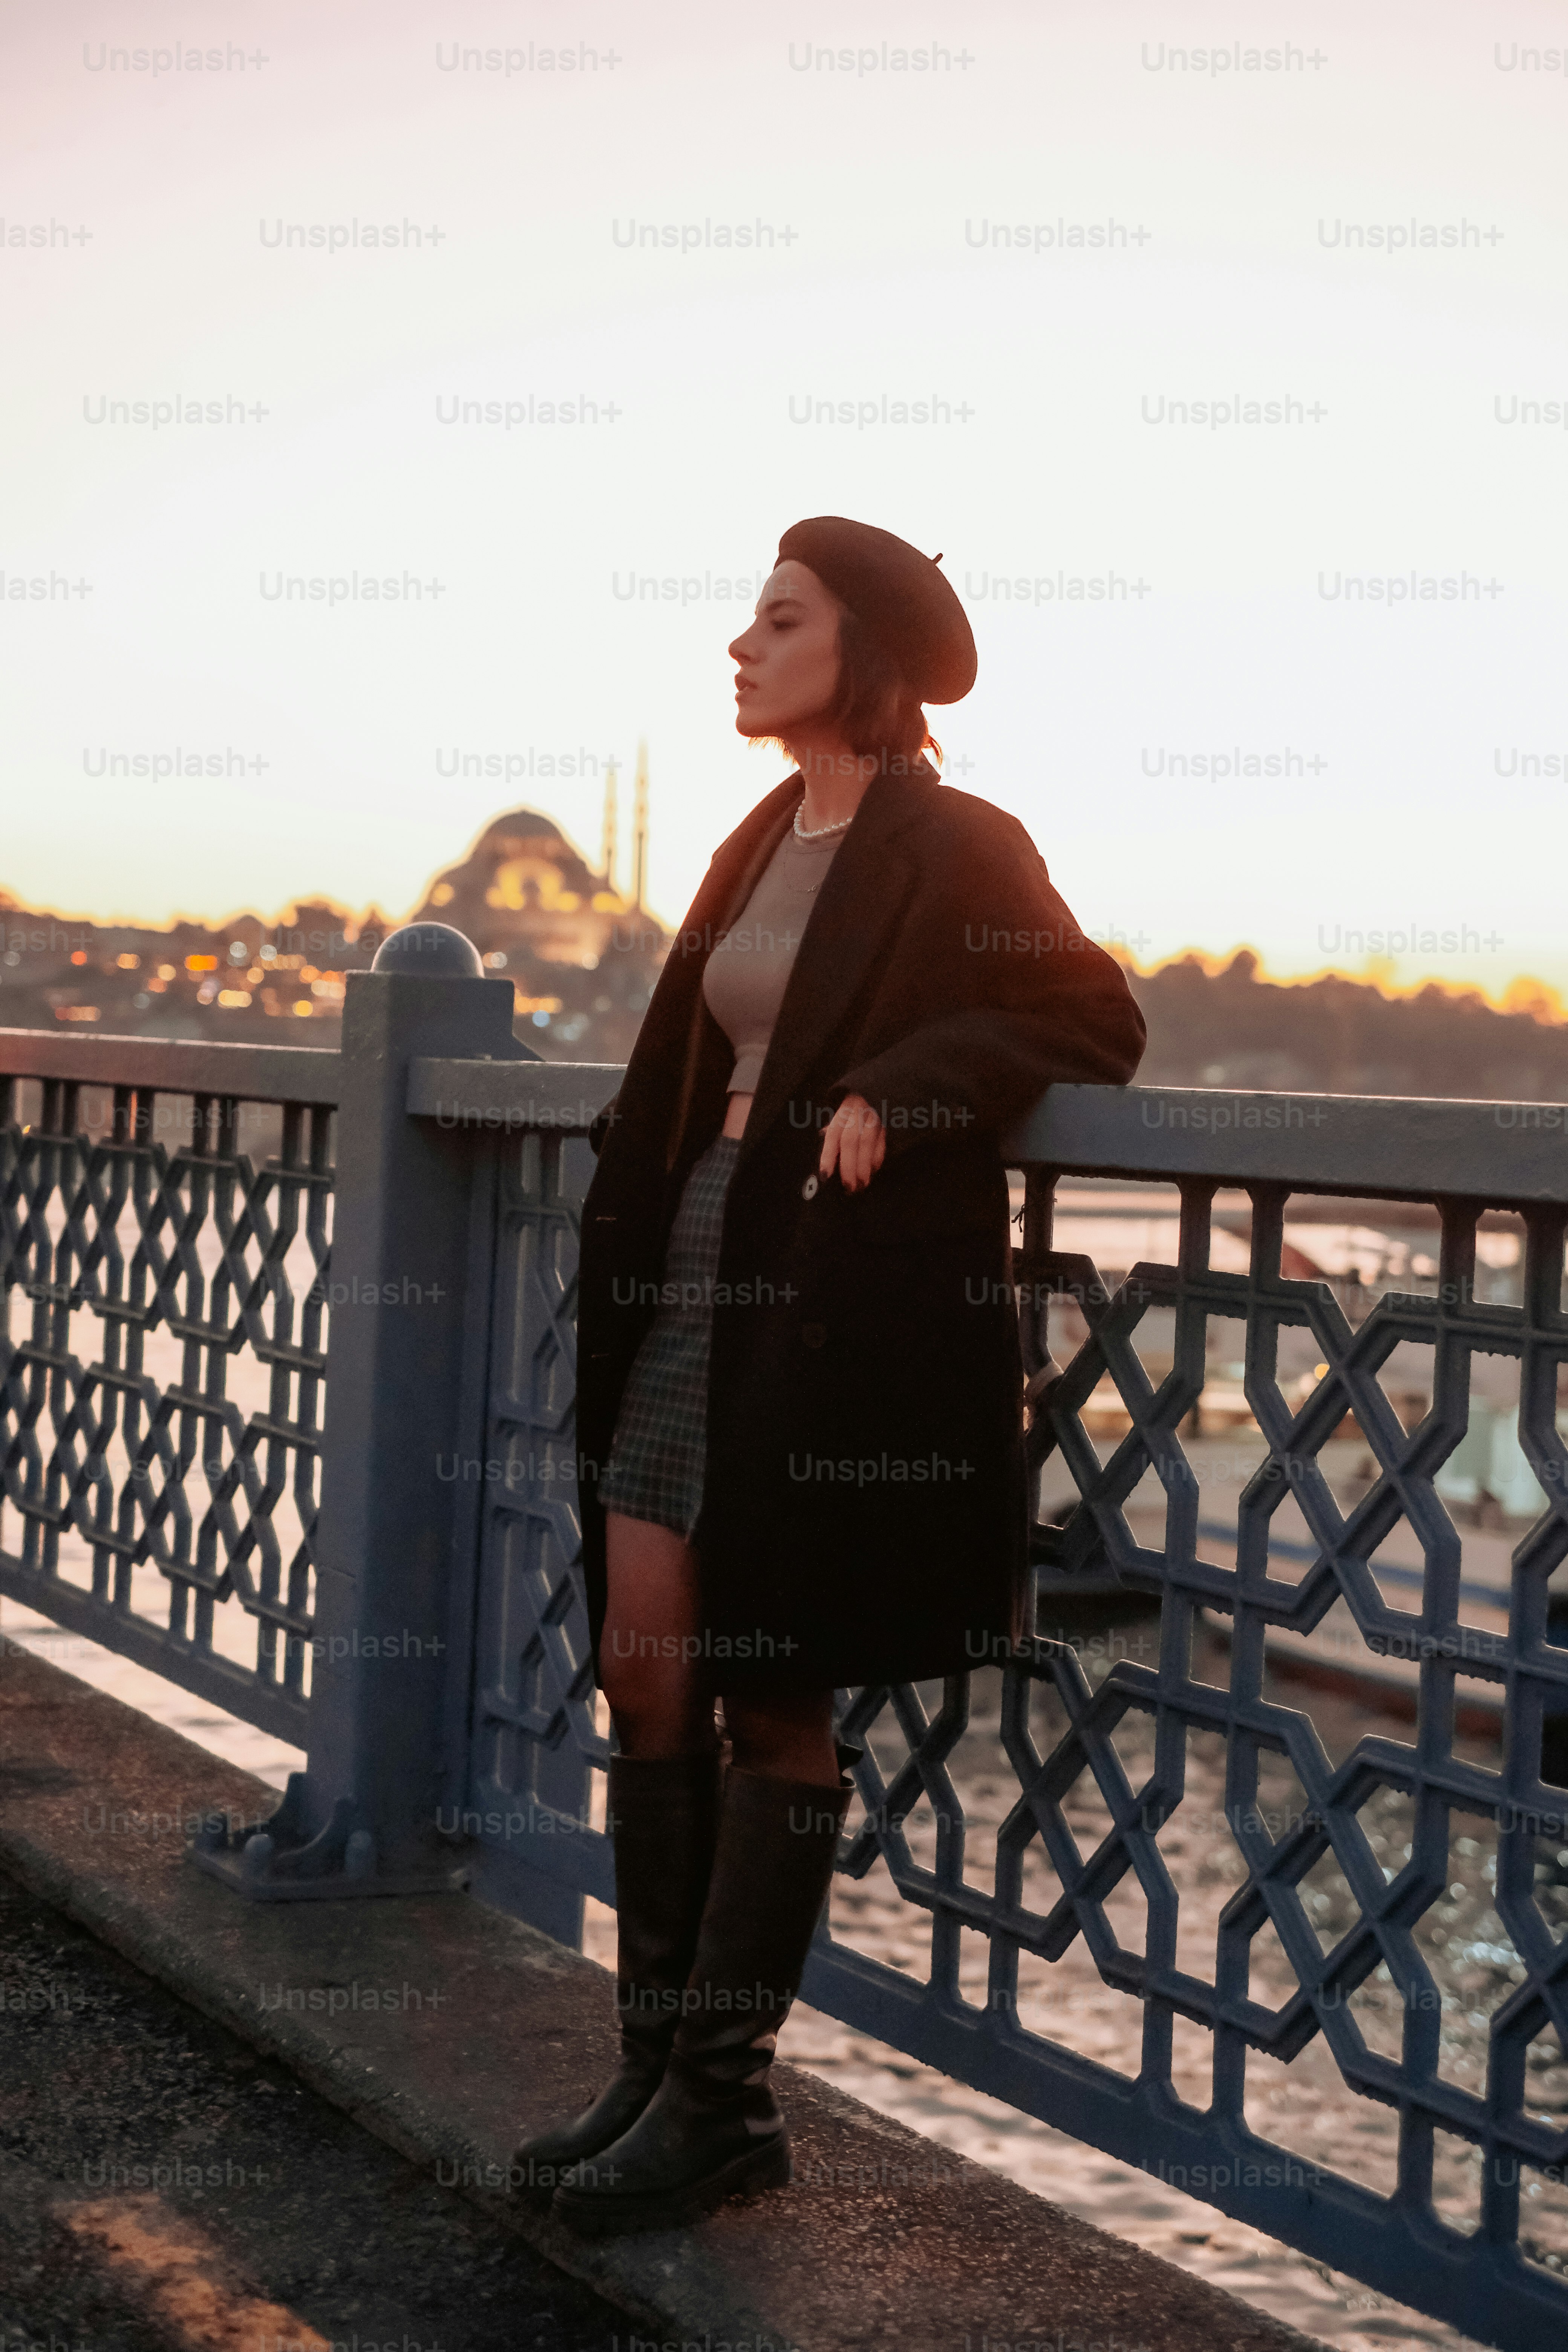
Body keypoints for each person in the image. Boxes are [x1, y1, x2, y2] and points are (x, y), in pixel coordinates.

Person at [516, 515, 1146, 2235]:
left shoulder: (956, 840)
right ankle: (653, 2077)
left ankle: (721, 2103)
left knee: (767, 1682)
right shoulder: (750, 838)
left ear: (854, 653)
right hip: (693, 1269)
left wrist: (916, 1081)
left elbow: (1089, 1016)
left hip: (824, 1298)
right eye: (745, 616)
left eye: (776, 621)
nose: (740, 643)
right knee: (647, 1668)